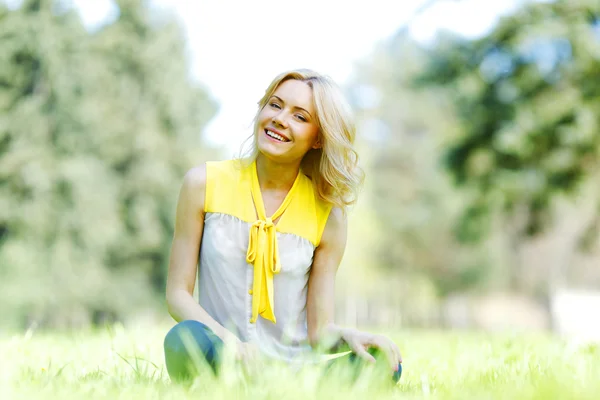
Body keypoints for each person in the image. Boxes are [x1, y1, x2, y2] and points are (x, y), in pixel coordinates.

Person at [163, 68, 402, 384]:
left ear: (317, 138)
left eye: (300, 117)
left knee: (385, 363)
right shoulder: (202, 184)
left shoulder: (329, 216)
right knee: (184, 339)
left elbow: (320, 331)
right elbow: (178, 295)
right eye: (275, 105)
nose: (280, 118)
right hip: (224, 360)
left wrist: (351, 336)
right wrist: (230, 345)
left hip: (296, 375)